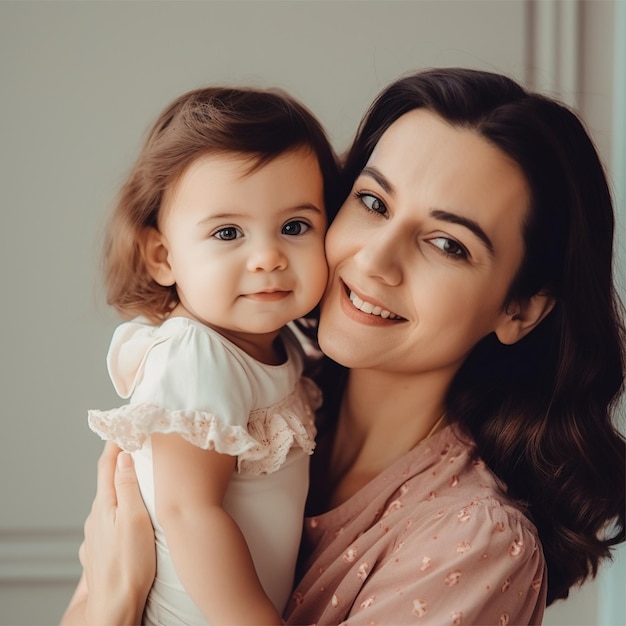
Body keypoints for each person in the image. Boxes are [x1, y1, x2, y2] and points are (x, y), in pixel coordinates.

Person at [62, 68, 625, 626]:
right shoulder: (260, 395)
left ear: (519, 309)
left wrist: (114, 605)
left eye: (448, 244)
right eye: (374, 203)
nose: (375, 261)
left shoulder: (472, 542)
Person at [81, 86, 340, 625]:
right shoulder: (196, 354)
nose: (268, 256)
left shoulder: (283, 349)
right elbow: (188, 510)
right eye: (228, 232)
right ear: (163, 256)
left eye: (295, 227)